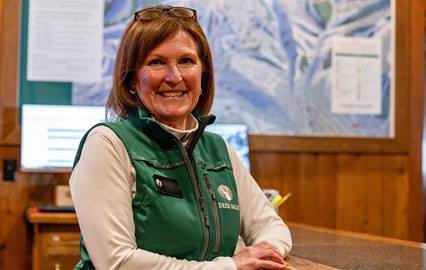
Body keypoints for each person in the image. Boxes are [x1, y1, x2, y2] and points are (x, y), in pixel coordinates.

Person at [69, 4, 292, 270]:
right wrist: (229, 266)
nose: (174, 77)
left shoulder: (218, 150)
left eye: (186, 61)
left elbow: (272, 227)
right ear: (131, 79)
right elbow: (117, 261)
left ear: (202, 73)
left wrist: (266, 252)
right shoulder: (108, 144)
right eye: (157, 62)